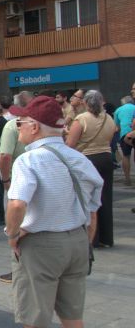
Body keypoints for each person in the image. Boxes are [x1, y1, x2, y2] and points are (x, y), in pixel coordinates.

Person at [6, 96, 102, 328]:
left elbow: (17, 204)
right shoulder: (80, 159)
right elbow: (92, 210)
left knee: (35, 318)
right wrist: (85, 239)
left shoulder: (28, 160)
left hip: (42, 244)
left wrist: (12, 235)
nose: (18, 127)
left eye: (21, 122)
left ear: (35, 127)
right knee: (73, 317)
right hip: (77, 240)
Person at [66, 90, 115, 248]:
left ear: (85, 103)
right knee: (105, 197)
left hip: (87, 159)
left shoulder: (81, 119)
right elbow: (112, 134)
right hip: (106, 158)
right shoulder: (109, 118)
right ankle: (106, 237)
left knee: (87, 198)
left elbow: (70, 145)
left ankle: (92, 237)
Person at [0, 92, 33, 284]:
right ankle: (28, 266)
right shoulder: (37, 124)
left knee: (15, 223)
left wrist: (5, 179)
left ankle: (18, 268)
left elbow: (4, 156)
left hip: (16, 181)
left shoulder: (12, 126)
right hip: (32, 181)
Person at [113, 94, 135, 185]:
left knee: (126, 156)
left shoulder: (118, 110)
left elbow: (116, 127)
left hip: (124, 135)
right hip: (134, 133)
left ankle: (127, 179)